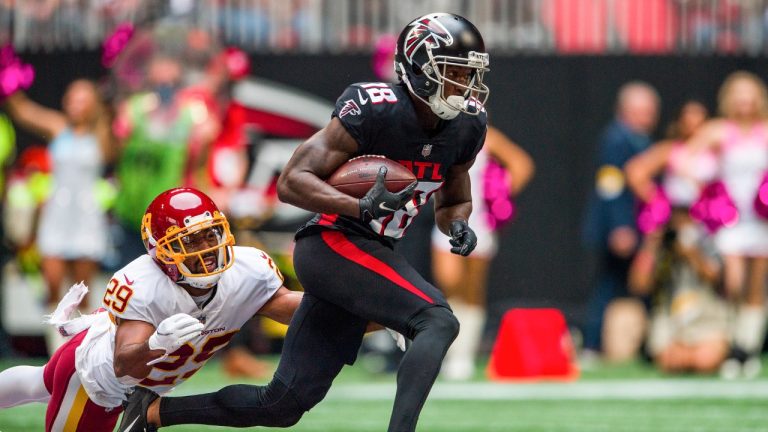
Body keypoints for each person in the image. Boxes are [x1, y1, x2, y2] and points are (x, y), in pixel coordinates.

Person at [118, 12, 490, 432]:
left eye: (470, 75)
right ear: (418, 68)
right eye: (454, 72)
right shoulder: (377, 109)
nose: (464, 85)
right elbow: (291, 181)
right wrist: (360, 206)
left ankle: (151, 413)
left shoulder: (466, 126)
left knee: (281, 404)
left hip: (372, 250)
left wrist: (457, 224)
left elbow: (454, 200)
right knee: (437, 319)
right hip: (333, 242)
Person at [0, 187, 302, 431]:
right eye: (190, 241)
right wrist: (156, 345)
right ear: (163, 252)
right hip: (98, 384)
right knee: (40, 384)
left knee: (37, 383)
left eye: (210, 234)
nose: (207, 248)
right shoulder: (145, 285)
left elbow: (292, 307)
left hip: (134, 376)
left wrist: (330, 301)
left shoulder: (248, 269)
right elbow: (123, 366)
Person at [3, 78, 115, 352]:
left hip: (86, 217)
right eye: (72, 98)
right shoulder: (57, 126)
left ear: (93, 104)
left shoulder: (102, 134)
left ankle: (82, 350)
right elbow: (22, 110)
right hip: (57, 214)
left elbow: (113, 154)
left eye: (82, 100)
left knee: (83, 291)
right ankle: (57, 350)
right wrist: (8, 80)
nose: (75, 105)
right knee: (52, 285)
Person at [626, 100, 729, 372]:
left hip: (710, 224)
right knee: (672, 359)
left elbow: (718, 278)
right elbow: (636, 171)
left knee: (705, 359)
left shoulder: (718, 151)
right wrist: (658, 205)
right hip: (673, 306)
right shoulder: (671, 150)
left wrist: (693, 248)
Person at [433, 125, 534, 379]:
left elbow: (521, 164)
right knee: (448, 282)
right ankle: (448, 349)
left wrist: (499, 196)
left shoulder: (486, 135)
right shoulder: (439, 132)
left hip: (479, 221)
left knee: (472, 290)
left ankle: (463, 355)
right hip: (446, 218)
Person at [686, 71, 768, 378]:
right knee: (732, 281)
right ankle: (732, 342)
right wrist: (705, 190)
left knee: (756, 287)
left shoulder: (765, 131)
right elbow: (684, 159)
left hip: (761, 219)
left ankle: (748, 348)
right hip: (731, 219)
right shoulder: (718, 130)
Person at [581, 81, 660, 359]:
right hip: (620, 227)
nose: (646, 118)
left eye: (650, 112)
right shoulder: (616, 138)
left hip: (638, 224)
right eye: (640, 111)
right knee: (608, 284)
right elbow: (610, 184)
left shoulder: (641, 139)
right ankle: (592, 344)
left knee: (640, 283)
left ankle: (647, 343)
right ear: (624, 110)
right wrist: (619, 226)